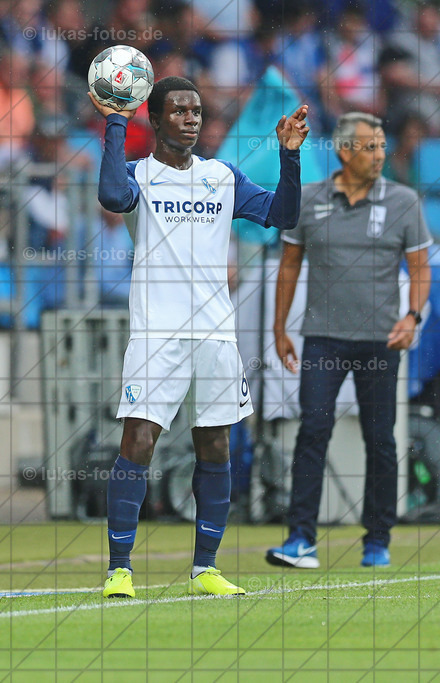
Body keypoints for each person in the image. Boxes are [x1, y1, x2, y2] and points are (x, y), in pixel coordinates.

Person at [89, 77, 308, 598]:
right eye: (179, 111)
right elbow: (112, 195)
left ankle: (204, 568)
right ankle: (120, 570)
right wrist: (116, 119)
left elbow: (284, 215)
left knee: (215, 443)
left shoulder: (222, 178)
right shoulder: (137, 176)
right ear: (157, 119)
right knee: (138, 442)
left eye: (197, 112)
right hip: (156, 332)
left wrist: (289, 156)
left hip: (215, 334)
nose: (191, 119)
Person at [267, 112, 432, 569]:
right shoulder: (309, 199)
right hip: (322, 337)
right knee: (312, 432)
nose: (380, 155)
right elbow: (288, 266)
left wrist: (413, 316)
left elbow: (420, 269)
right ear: (345, 152)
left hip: (381, 340)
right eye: (371, 147)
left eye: (381, 146)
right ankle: (301, 539)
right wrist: (280, 329)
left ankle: (377, 539)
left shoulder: (403, 201)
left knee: (380, 440)